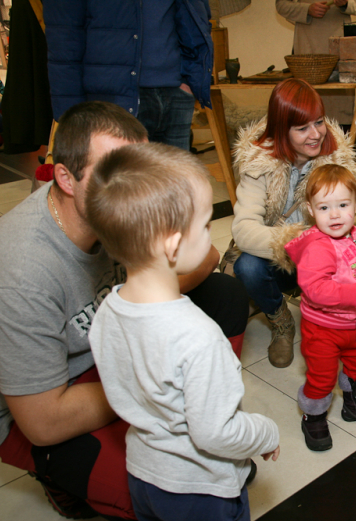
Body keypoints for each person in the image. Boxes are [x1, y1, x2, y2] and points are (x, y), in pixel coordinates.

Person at [0, 101, 249, 520]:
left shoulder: (126, 212)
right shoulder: (21, 269)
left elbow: (206, 257)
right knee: (169, 500)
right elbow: (43, 421)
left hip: (113, 353)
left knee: (225, 294)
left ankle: (200, 418)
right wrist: (163, 385)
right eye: (115, 171)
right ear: (66, 179)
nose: (138, 187)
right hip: (45, 404)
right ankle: (59, 479)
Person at [86, 142, 280, 521]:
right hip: (200, 489)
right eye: (206, 224)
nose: (211, 234)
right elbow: (215, 432)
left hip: (143, 473)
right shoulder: (198, 336)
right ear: (173, 245)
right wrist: (265, 432)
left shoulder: (108, 309)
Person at [227, 78, 356, 368]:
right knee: (247, 266)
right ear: (281, 129)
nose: (315, 134)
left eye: (318, 122)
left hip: (329, 263)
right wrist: (305, 246)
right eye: (302, 128)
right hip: (282, 259)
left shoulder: (338, 160)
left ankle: (338, 323)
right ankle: (280, 321)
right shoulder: (258, 163)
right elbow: (243, 230)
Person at [283, 164, 356, 451]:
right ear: (310, 209)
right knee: (322, 376)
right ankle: (314, 416)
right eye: (324, 208)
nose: (334, 215)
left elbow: (353, 260)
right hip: (322, 329)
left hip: (353, 323)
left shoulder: (353, 233)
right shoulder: (317, 247)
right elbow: (316, 289)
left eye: (342, 205)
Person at [44, 0, 213, 151]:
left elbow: (198, 16)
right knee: (117, 183)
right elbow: (63, 40)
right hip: (114, 99)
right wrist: (70, 116)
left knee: (175, 184)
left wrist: (188, 81)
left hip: (176, 93)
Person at [275, 0, 356, 126]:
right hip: (308, 44)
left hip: (339, 42)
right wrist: (307, 9)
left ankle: (340, 140)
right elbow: (282, 5)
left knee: (340, 111)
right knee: (306, 108)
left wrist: (345, 3)